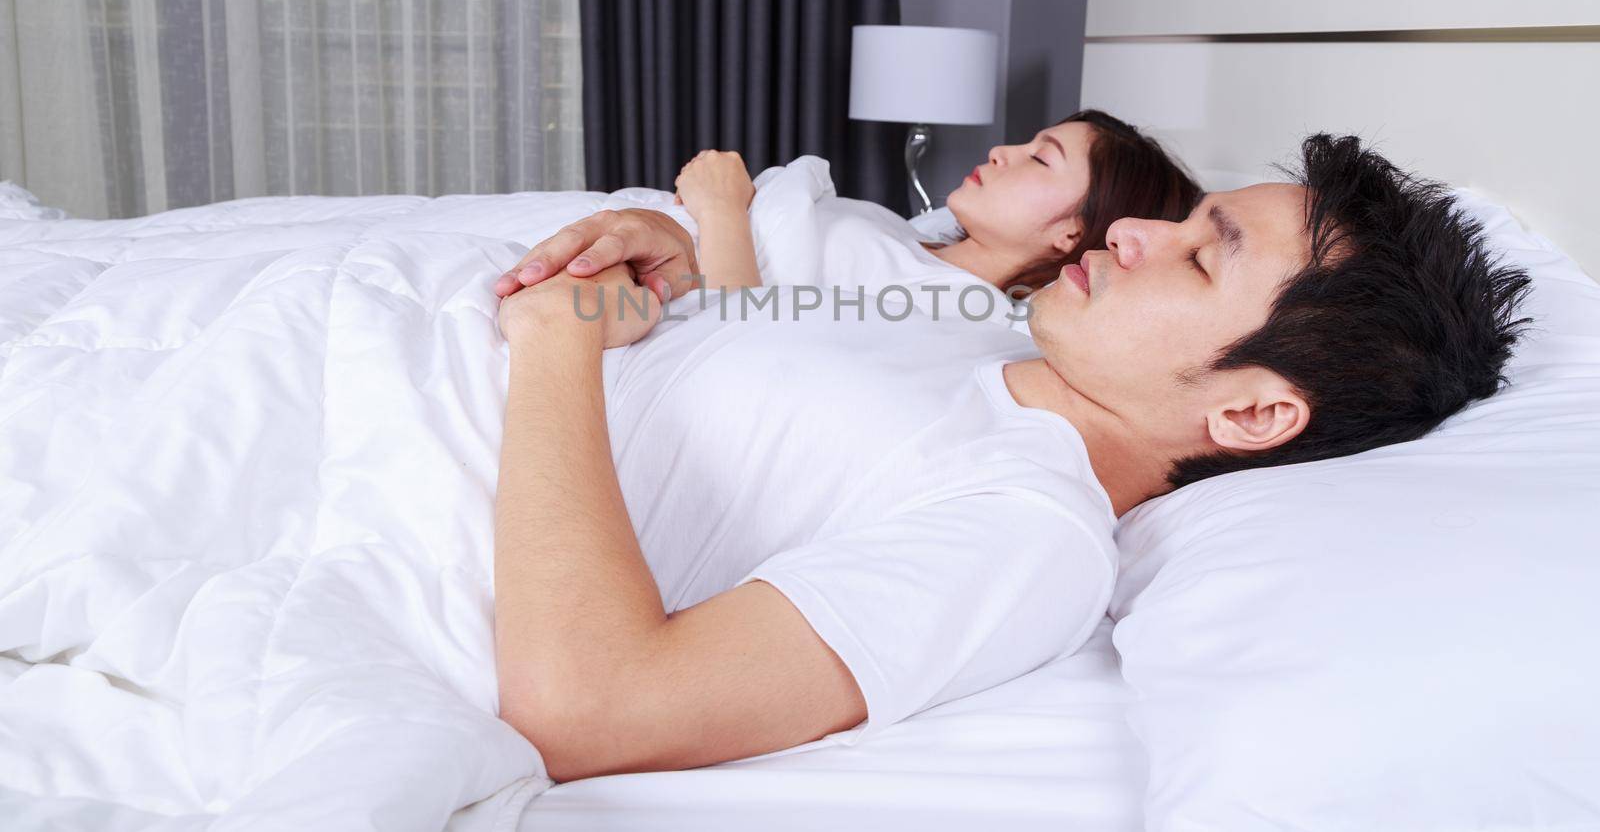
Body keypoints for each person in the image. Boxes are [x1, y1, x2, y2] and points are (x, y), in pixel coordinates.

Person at [489, 134, 1530, 783]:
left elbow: (590, 707)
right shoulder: (991, 334)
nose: (1130, 231)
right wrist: (672, 282)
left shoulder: (1026, 530)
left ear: (1252, 413)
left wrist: (556, 337)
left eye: (1202, 254)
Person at [668, 110, 1200, 304]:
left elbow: (733, 341)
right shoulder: (914, 237)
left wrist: (721, 208)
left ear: (1071, 233)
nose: (1001, 151)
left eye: (1041, 159)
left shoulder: (952, 310)